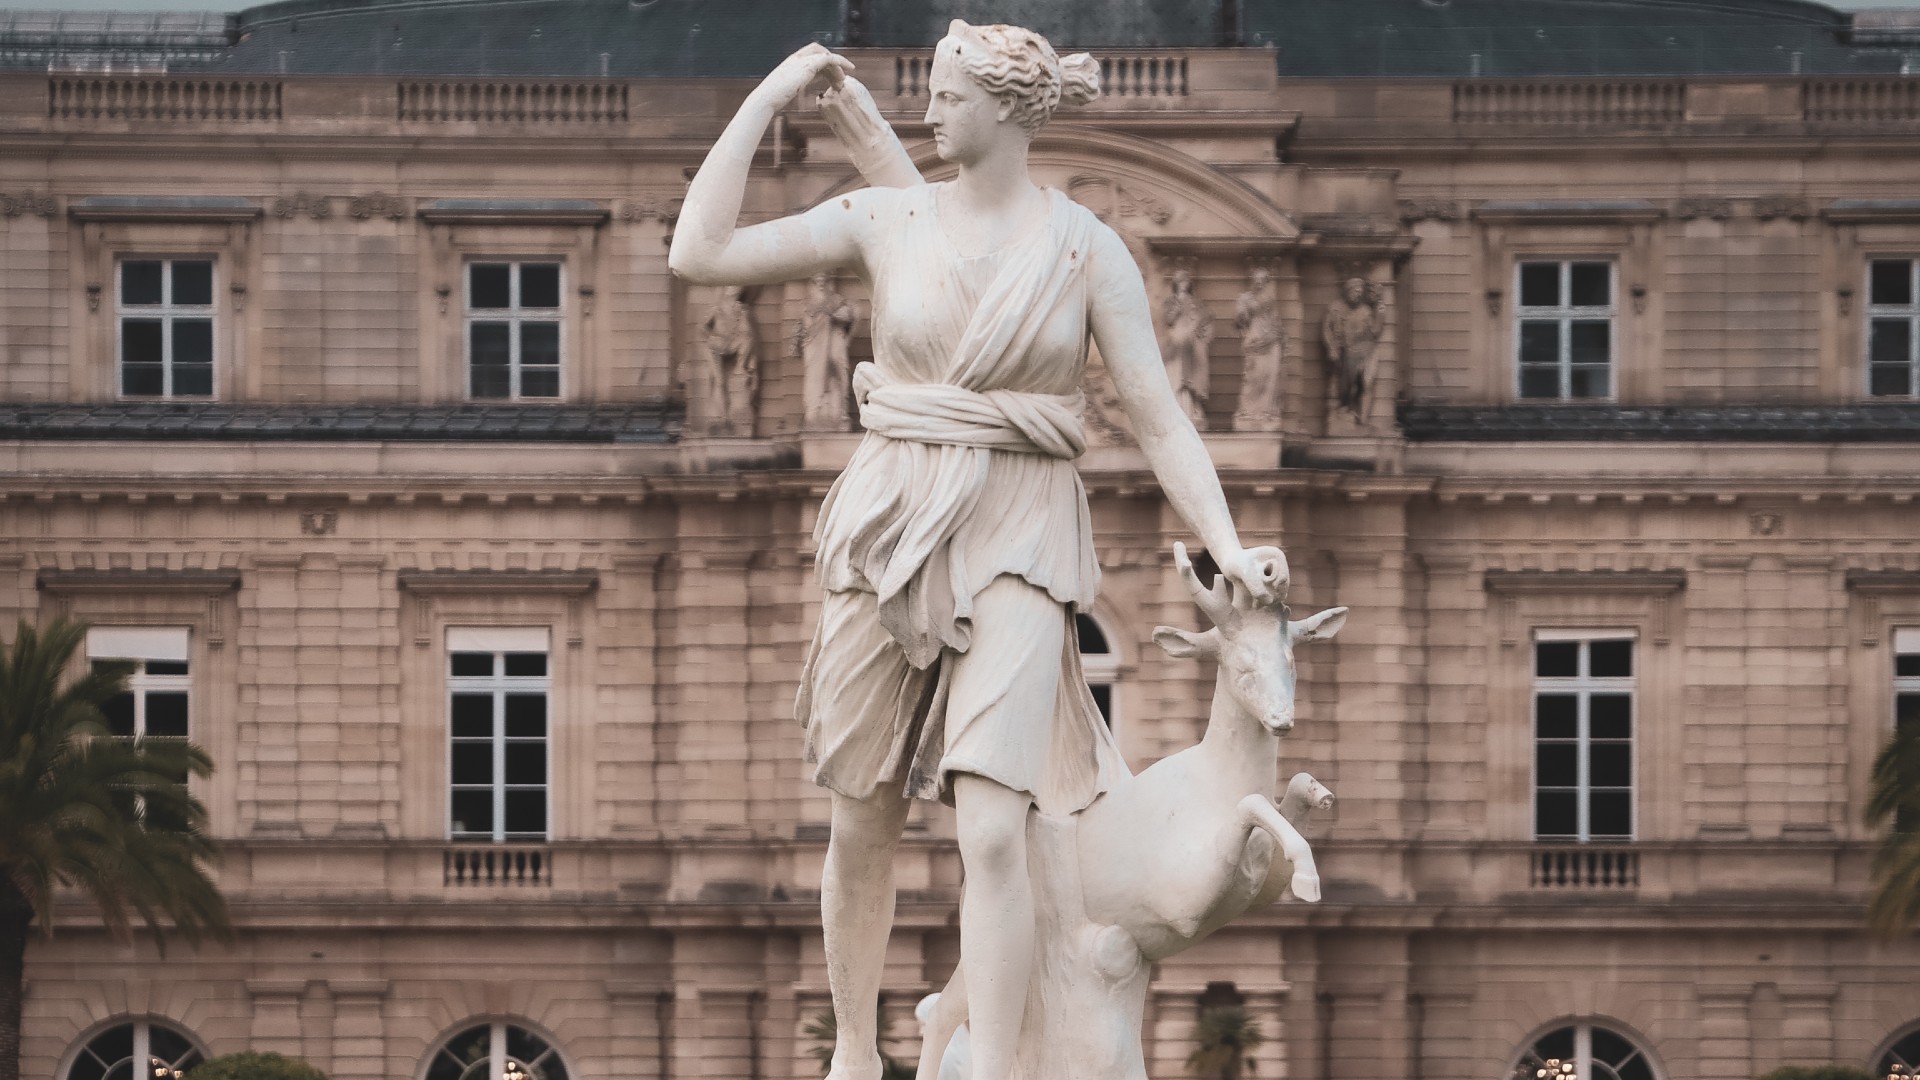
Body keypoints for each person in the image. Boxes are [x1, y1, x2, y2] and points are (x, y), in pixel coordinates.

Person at [668, 23, 1285, 1080]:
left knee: (995, 829)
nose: (929, 112)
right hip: (893, 517)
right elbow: (699, 254)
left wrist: (1228, 545)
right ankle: (856, 1055)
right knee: (860, 809)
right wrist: (767, 94)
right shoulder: (883, 216)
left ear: (1007, 110)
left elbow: (1159, 414)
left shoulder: (1089, 246)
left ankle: (994, 1068)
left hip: (1025, 525)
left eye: (949, 96)